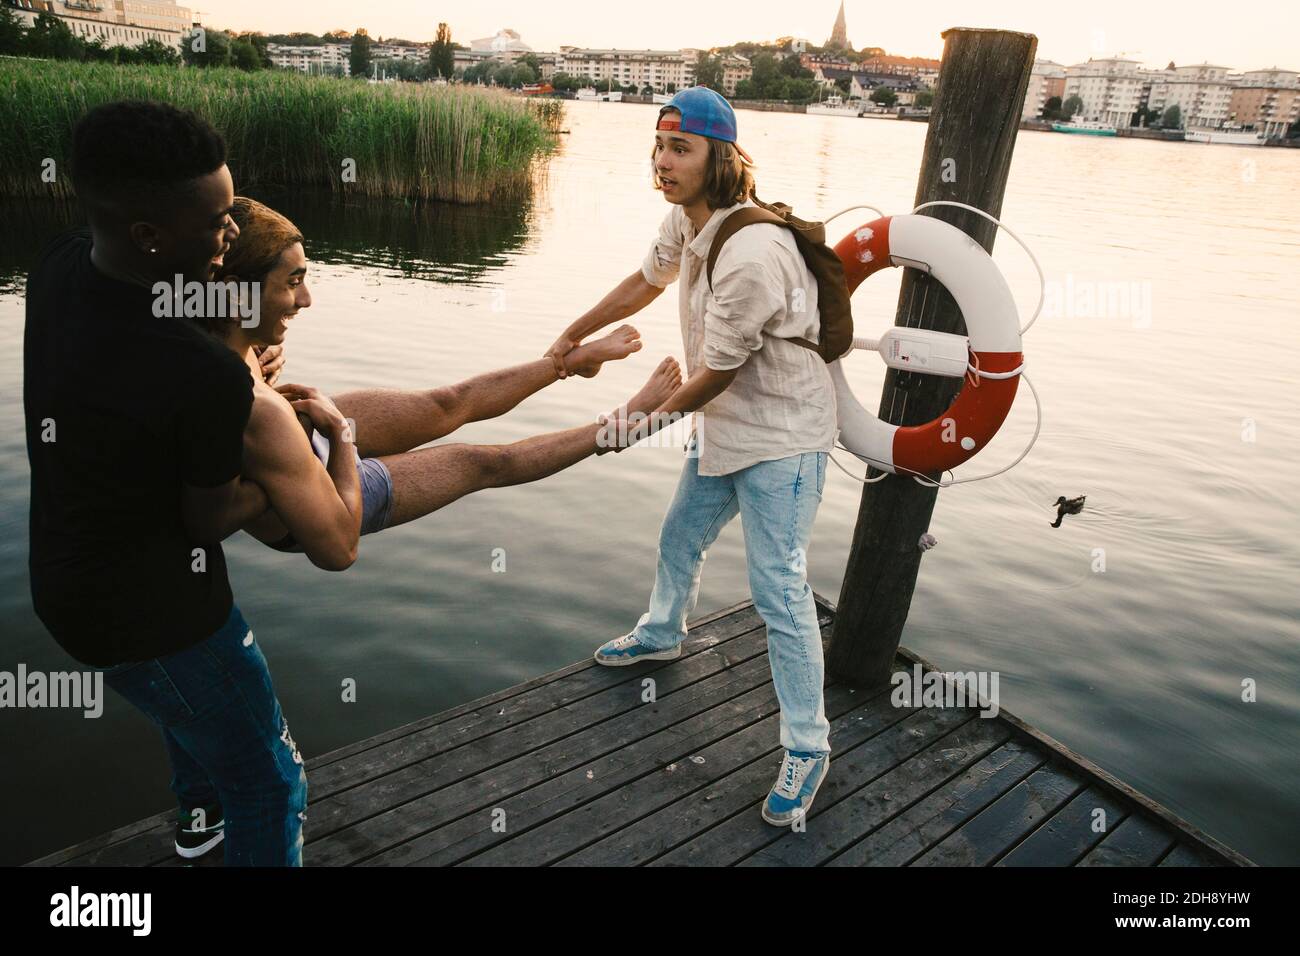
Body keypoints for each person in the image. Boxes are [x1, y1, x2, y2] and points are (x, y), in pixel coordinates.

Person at [545, 87, 839, 826]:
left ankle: (809, 745)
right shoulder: (685, 220)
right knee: (680, 535)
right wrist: (570, 335)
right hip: (725, 425)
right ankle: (664, 631)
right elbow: (644, 283)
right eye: (659, 146)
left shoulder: (755, 252)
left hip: (785, 438)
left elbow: (718, 371)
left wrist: (636, 420)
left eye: (681, 149)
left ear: (722, 157)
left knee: (779, 589)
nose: (663, 161)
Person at [23, 100, 302, 865]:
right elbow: (210, 519)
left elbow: (145, 324)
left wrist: (241, 365)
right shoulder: (198, 372)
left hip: (66, 586)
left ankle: (198, 824)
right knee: (271, 783)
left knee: (193, 721)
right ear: (149, 234)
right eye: (217, 221)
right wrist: (295, 455)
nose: (235, 232)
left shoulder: (58, 267)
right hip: (165, 616)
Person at [204, 197, 681, 564]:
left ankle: (568, 362)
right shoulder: (238, 400)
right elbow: (336, 546)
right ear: (236, 288)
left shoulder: (221, 336)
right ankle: (621, 427)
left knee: (449, 402)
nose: (306, 299)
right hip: (320, 496)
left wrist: (263, 351)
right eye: (292, 283)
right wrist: (339, 435)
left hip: (305, 430)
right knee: (483, 462)